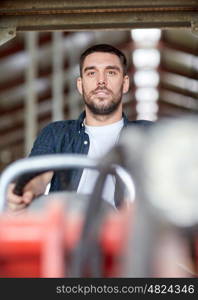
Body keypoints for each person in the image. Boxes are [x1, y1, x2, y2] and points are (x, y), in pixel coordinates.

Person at [7, 44, 152, 212]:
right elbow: (38, 175)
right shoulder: (57, 133)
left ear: (125, 83)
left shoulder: (147, 134)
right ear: (80, 84)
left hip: (126, 233)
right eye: (91, 73)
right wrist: (26, 190)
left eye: (111, 72)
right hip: (70, 229)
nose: (101, 81)